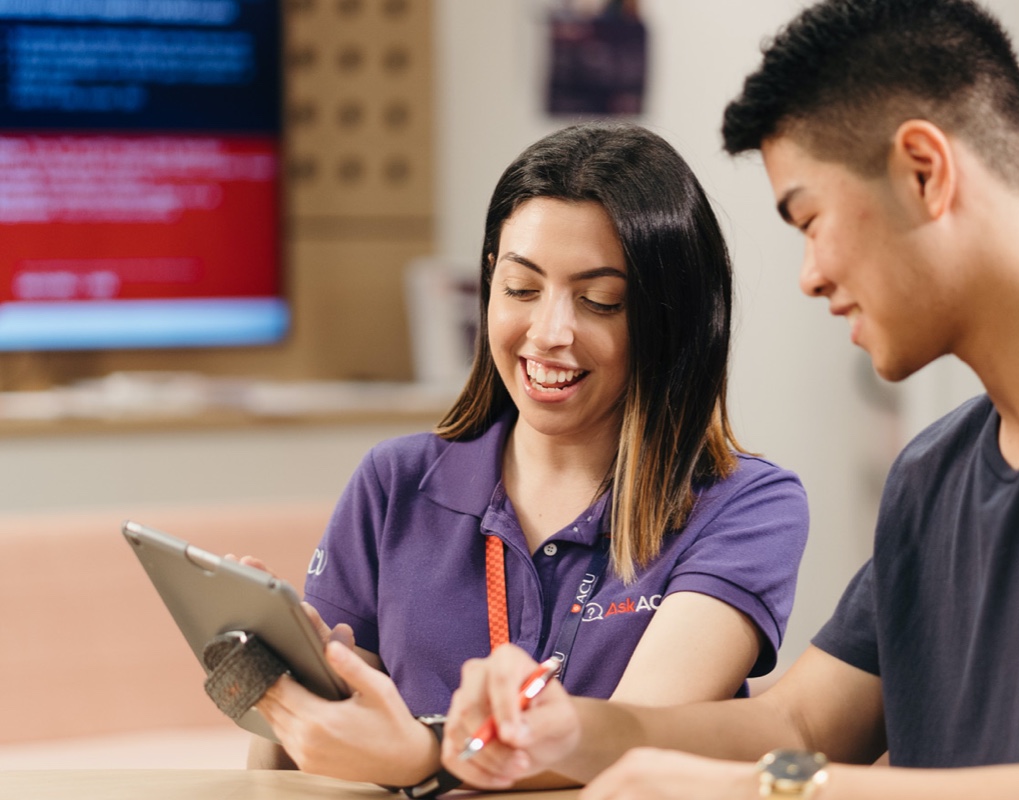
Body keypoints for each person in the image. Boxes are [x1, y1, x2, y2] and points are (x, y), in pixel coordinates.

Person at [439, 1, 1019, 798]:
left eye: (810, 221)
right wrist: (568, 730)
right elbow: (797, 722)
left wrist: (763, 788)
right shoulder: (935, 473)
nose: (812, 276)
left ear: (924, 171)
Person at [243, 122, 809, 793]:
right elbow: (285, 770)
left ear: (671, 319)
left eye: (601, 301)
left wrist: (425, 758)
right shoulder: (393, 486)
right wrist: (289, 690)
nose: (550, 334)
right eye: (521, 288)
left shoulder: (745, 505)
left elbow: (641, 741)